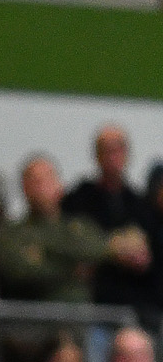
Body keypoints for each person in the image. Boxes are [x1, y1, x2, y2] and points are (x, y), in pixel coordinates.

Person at [63, 124, 158, 318]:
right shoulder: (78, 200)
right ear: (96, 155)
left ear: (127, 154)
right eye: (106, 150)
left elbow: (151, 256)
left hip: (134, 307)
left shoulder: (141, 205)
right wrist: (116, 250)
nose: (113, 156)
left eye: (118, 149)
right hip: (89, 305)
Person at [0, 154, 107, 303]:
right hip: (33, 318)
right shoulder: (13, 232)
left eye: (48, 179)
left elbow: (99, 250)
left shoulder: (79, 226)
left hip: (80, 318)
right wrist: (72, 268)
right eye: (35, 181)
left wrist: (45, 252)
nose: (41, 187)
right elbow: (22, 271)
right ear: (24, 187)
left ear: (60, 185)